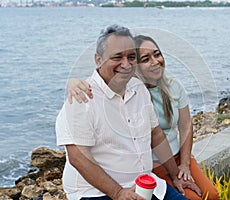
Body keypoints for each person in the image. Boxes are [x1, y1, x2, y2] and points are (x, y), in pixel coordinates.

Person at [68, 34, 220, 200]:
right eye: (146, 59)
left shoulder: (172, 86)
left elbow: (185, 125)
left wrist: (183, 164)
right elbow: (100, 84)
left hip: (176, 158)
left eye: (157, 54)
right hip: (153, 165)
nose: (154, 61)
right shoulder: (130, 91)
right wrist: (72, 83)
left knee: (212, 195)